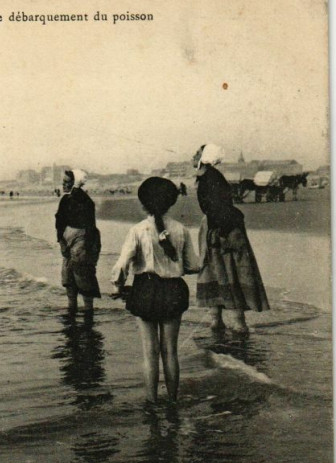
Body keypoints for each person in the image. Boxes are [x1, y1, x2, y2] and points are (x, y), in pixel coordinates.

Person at [111, 177, 199, 403]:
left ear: (144, 203)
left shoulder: (138, 230)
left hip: (146, 290)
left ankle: (151, 403)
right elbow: (192, 266)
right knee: (170, 352)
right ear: (170, 203)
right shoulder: (181, 229)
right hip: (173, 291)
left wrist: (118, 287)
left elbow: (121, 266)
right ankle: (172, 401)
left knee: (150, 354)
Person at [193, 144, 269, 333]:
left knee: (226, 270)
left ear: (205, 157)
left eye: (197, 154)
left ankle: (236, 323)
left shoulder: (209, 178)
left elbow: (221, 206)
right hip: (220, 225)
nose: (193, 156)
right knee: (219, 271)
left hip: (223, 228)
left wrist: (220, 234)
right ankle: (219, 321)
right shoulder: (209, 176)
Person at [54, 169, 101, 317]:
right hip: (71, 241)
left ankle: (81, 318)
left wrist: (88, 249)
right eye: (63, 182)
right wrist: (61, 241)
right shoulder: (69, 199)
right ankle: (81, 317)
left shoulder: (82, 200)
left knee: (80, 279)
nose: (63, 185)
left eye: (67, 182)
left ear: (75, 183)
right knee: (71, 280)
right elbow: (59, 222)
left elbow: (89, 227)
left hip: (81, 242)